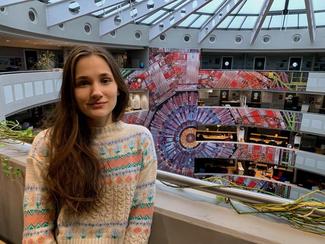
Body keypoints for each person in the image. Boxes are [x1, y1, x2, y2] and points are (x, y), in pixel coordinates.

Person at [22, 45, 158, 243]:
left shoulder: (140, 141)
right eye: (83, 83)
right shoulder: (48, 143)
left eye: (105, 80)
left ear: (118, 87)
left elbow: (140, 221)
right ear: (71, 93)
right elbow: (36, 230)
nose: (96, 92)